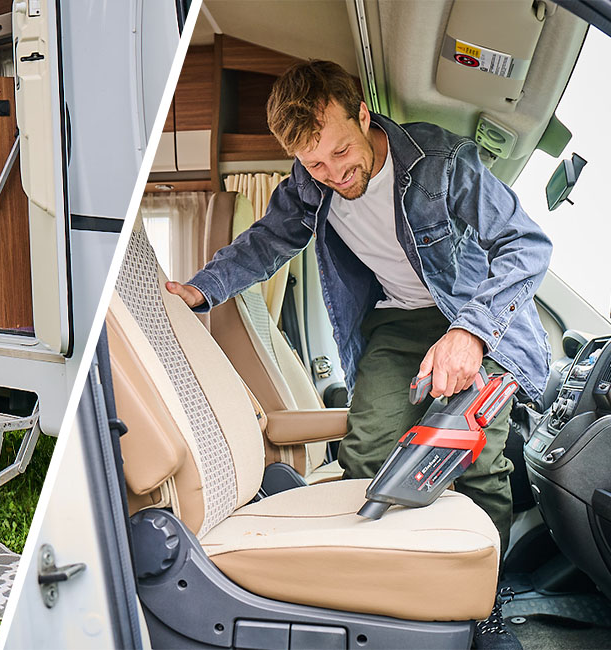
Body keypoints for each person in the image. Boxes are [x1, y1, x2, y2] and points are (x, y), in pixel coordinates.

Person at [167, 60, 549, 649]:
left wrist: (471, 333)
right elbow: (267, 240)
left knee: (477, 459)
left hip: (474, 315)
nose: (334, 174)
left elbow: (526, 244)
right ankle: (384, 597)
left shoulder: (441, 161)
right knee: (368, 455)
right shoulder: (310, 183)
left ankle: (482, 605)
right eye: (315, 164)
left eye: (341, 152)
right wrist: (200, 289)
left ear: (363, 114)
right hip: (396, 322)